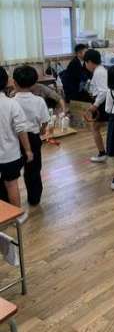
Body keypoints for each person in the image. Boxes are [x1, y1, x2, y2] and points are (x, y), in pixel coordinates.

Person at [13, 65, 50, 207]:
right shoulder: (39, 101)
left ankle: (10, 201)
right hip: (33, 139)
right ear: (34, 83)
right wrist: (42, 130)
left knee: (12, 172)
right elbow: (45, 120)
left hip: (15, 139)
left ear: (14, 83)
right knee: (33, 170)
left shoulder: (12, 101)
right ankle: (34, 199)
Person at [0, 67, 32, 223]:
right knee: (12, 185)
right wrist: (28, 150)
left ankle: (3, 214)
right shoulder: (11, 104)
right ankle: (17, 216)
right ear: (6, 82)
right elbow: (21, 130)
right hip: (10, 155)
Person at [84, 49, 109, 163]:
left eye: (85, 63)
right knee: (98, 127)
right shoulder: (100, 70)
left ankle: (102, 153)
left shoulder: (99, 72)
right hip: (102, 102)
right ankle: (105, 152)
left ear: (89, 62)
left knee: (95, 128)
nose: (85, 66)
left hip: (101, 103)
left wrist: (95, 105)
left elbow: (103, 91)